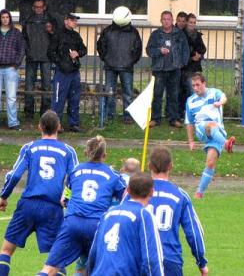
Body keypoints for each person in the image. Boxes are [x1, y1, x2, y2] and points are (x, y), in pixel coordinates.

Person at [0, 110, 79, 276]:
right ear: (59, 127)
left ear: (39, 127)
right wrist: (67, 199)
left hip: (28, 205)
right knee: (57, 260)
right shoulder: (68, 151)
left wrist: (4, 196)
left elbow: (15, 174)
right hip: (53, 208)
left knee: (6, 251)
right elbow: (75, 178)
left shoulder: (30, 148)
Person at [38, 136, 127, 276]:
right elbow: (126, 197)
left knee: (49, 269)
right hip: (96, 226)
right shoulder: (113, 175)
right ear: (104, 155)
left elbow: (64, 200)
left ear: (86, 152)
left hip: (72, 223)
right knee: (98, 270)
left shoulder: (75, 171)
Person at [87, 172, 164, 276]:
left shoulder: (107, 214)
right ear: (152, 192)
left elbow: (93, 252)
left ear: (128, 190)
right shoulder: (143, 215)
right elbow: (151, 258)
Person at [148, 146, 208, 276]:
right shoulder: (180, 195)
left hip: (141, 259)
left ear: (149, 166)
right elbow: (194, 232)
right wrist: (201, 262)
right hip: (170, 259)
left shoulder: (135, 193)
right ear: (171, 166)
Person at [185, 72, 235, 198]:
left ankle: (199, 194)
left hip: (218, 132)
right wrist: (191, 141)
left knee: (210, 163)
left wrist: (220, 103)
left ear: (204, 84)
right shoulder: (190, 101)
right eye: (193, 86)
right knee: (210, 125)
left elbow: (223, 97)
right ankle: (226, 143)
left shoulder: (214, 93)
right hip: (202, 129)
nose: (195, 88)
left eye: (198, 85)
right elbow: (190, 123)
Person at [97, 7, 142, 124]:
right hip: (117, 66)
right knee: (121, 93)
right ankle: (116, 116)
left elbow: (138, 49)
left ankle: (116, 116)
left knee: (115, 92)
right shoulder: (132, 31)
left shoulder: (109, 30)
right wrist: (106, 58)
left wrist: (106, 58)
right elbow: (101, 46)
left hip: (119, 66)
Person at [146, 10, 190, 128]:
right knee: (157, 95)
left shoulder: (179, 34)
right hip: (159, 69)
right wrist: (159, 51)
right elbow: (149, 50)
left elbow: (186, 50)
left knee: (174, 95)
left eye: (168, 19)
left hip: (175, 69)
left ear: (172, 20)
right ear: (161, 20)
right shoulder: (155, 34)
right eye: (164, 19)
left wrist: (182, 63)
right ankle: (155, 119)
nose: (166, 21)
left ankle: (173, 119)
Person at [0, 9, 26, 130]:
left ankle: (13, 122)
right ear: (0, 19)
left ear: (10, 19)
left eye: (7, 17)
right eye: (3, 17)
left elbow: (21, 50)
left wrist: (16, 64)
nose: (5, 19)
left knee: (11, 97)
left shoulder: (16, 33)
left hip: (11, 69)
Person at [48, 12, 87, 133]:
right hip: (62, 72)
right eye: (73, 20)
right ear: (66, 21)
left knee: (75, 98)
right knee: (58, 100)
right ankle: (56, 125)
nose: (75, 22)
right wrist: (60, 63)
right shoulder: (57, 35)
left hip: (74, 71)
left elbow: (84, 49)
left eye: (76, 20)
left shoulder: (76, 35)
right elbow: (50, 52)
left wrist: (78, 53)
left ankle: (74, 124)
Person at [22, 0, 54, 119]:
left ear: (44, 7)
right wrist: (27, 51)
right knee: (29, 86)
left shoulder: (51, 21)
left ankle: (45, 114)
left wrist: (51, 31)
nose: (38, 9)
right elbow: (23, 39)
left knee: (46, 86)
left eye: (40, 7)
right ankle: (28, 113)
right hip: (31, 57)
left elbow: (55, 39)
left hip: (46, 57)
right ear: (33, 8)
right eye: (36, 7)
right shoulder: (28, 21)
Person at [179, 13, 206, 122]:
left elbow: (203, 49)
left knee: (197, 91)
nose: (192, 24)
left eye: (194, 22)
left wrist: (199, 55)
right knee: (188, 91)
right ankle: (186, 114)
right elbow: (182, 51)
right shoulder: (181, 35)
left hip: (196, 67)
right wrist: (192, 56)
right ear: (186, 23)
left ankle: (196, 113)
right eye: (190, 22)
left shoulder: (197, 35)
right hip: (186, 67)